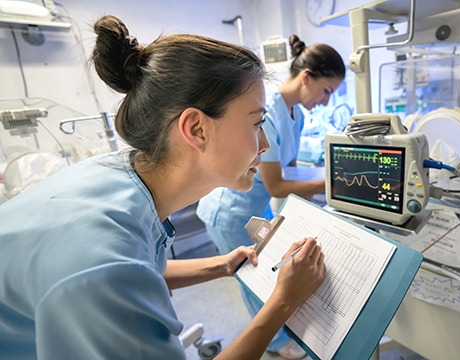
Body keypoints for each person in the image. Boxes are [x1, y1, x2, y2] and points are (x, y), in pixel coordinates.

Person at [0, 15, 324, 360]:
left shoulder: (121, 179)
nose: (263, 143)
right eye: (256, 123)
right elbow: (116, 270)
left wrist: (220, 265)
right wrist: (283, 302)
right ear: (197, 129)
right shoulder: (101, 261)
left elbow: (144, 268)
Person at [197, 34, 345, 358]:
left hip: (255, 205)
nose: (325, 101)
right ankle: (277, 344)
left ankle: (279, 323)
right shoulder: (270, 109)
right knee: (252, 277)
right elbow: (277, 184)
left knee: (270, 268)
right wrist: (333, 185)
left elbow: (287, 173)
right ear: (306, 77)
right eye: (326, 91)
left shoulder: (299, 115)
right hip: (231, 209)